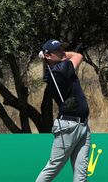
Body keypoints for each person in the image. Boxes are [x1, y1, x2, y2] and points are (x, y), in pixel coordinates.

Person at [36, 39, 91, 182]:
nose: (62, 52)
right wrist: (65, 54)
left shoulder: (57, 70)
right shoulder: (61, 69)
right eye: (58, 50)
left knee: (81, 173)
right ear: (48, 56)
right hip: (69, 126)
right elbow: (78, 56)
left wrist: (57, 54)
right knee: (53, 167)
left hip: (82, 125)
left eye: (62, 49)